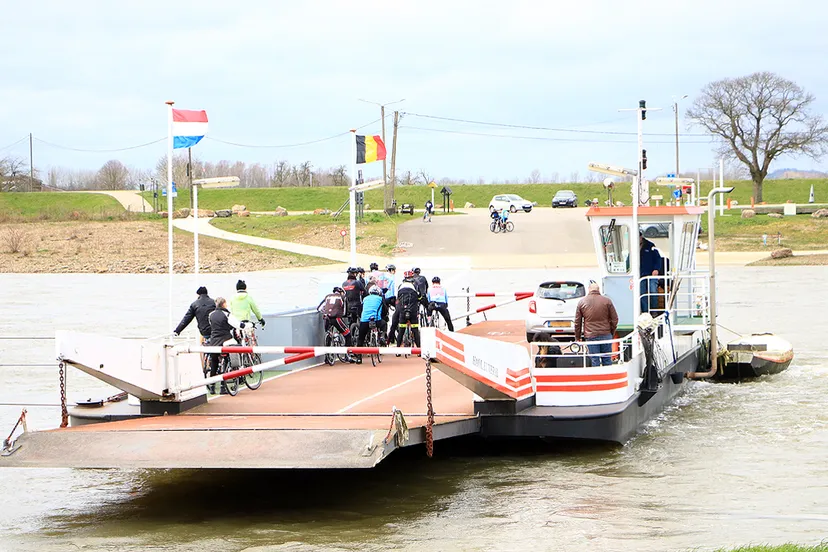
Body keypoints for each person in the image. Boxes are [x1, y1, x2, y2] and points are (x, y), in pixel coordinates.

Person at [574, 282, 619, 367]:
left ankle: (598, 379)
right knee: (607, 359)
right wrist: (611, 332)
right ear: (598, 290)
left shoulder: (582, 302)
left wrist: (578, 337)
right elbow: (615, 319)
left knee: (595, 360)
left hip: (591, 336)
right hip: (606, 334)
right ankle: (608, 378)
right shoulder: (607, 301)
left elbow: (577, 322)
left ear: (589, 290)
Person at [207, 297, 245, 393]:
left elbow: (212, 325)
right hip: (226, 340)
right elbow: (238, 325)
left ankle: (212, 386)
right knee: (231, 354)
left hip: (214, 342)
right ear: (224, 304)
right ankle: (223, 386)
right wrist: (246, 326)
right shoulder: (227, 314)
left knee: (214, 362)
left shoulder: (211, 315)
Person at [355, 287, 388, 362]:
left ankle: (359, 358)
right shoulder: (380, 298)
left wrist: (361, 317)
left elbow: (360, 309)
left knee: (361, 338)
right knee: (384, 324)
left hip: (364, 320)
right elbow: (385, 310)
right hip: (376, 319)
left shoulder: (365, 299)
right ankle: (382, 336)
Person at [389, 270, 421, 347]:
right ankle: (419, 349)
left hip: (402, 310)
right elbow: (419, 297)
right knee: (415, 330)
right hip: (413, 311)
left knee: (401, 330)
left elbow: (398, 299)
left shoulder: (401, 286)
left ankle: (397, 349)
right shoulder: (415, 285)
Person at [639, 232, 663, 313]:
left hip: (651, 274)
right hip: (640, 275)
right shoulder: (633, 246)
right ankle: (645, 312)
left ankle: (654, 311)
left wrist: (656, 269)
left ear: (641, 237)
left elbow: (658, 259)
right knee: (641, 293)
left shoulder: (650, 246)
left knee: (653, 291)